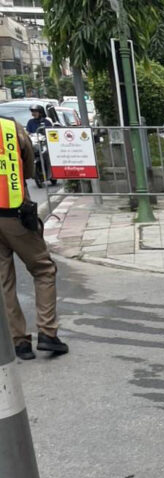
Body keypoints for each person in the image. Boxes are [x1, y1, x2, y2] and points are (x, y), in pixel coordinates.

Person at [0, 116, 67, 359]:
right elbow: (28, 170)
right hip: (14, 213)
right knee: (43, 269)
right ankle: (47, 333)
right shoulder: (9, 128)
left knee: (3, 281)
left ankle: (18, 341)